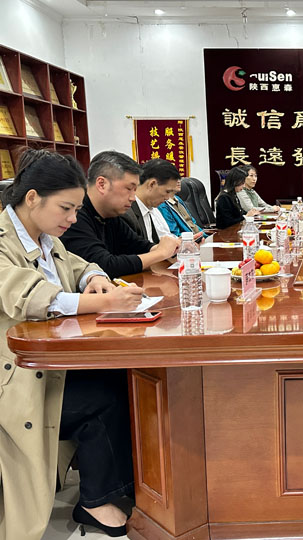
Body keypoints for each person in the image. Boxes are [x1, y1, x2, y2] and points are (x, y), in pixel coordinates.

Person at [0, 149, 144, 540]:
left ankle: (127, 485)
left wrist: (93, 279)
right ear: (32, 198)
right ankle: (97, 500)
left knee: (125, 378)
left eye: (77, 209)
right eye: (66, 208)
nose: (73, 219)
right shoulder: (3, 240)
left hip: (53, 361)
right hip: (17, 376)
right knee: (104, 396)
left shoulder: (46, 237)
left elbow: (79, 264)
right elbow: (30, 295)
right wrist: (105, 302)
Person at [61, 151, 180, 279]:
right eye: (129, 189)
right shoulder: (74, 215)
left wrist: (172, 248)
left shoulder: (109, 214)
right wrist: (161, 253)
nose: (133, 198)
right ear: (102, 184)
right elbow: (104, 265)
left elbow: (137, 245)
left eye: (135, 190)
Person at [121, 158, 178, 242]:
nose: (167, 198)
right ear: (152, 184)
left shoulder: (153, 209)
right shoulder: (126, 214)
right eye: (167, 191)